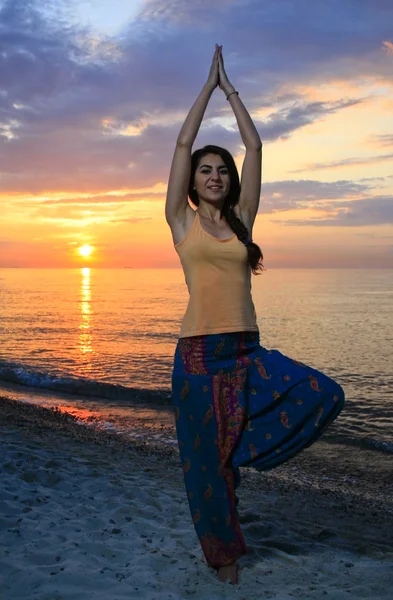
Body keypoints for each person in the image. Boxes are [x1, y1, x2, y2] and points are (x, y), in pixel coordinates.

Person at [165, 44, 345, 585]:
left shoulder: (243, 220)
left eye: (221, 170)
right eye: (205, 170)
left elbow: (256, 144)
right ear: (193, 183)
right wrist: (206, 86)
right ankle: (224, 556)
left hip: (246, 351)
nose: (215, 175)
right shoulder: (180, 222)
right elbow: (181, 142)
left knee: (323, 393)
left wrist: (232, 89)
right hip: (198, 355)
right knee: (205, 471)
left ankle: (234, 448)